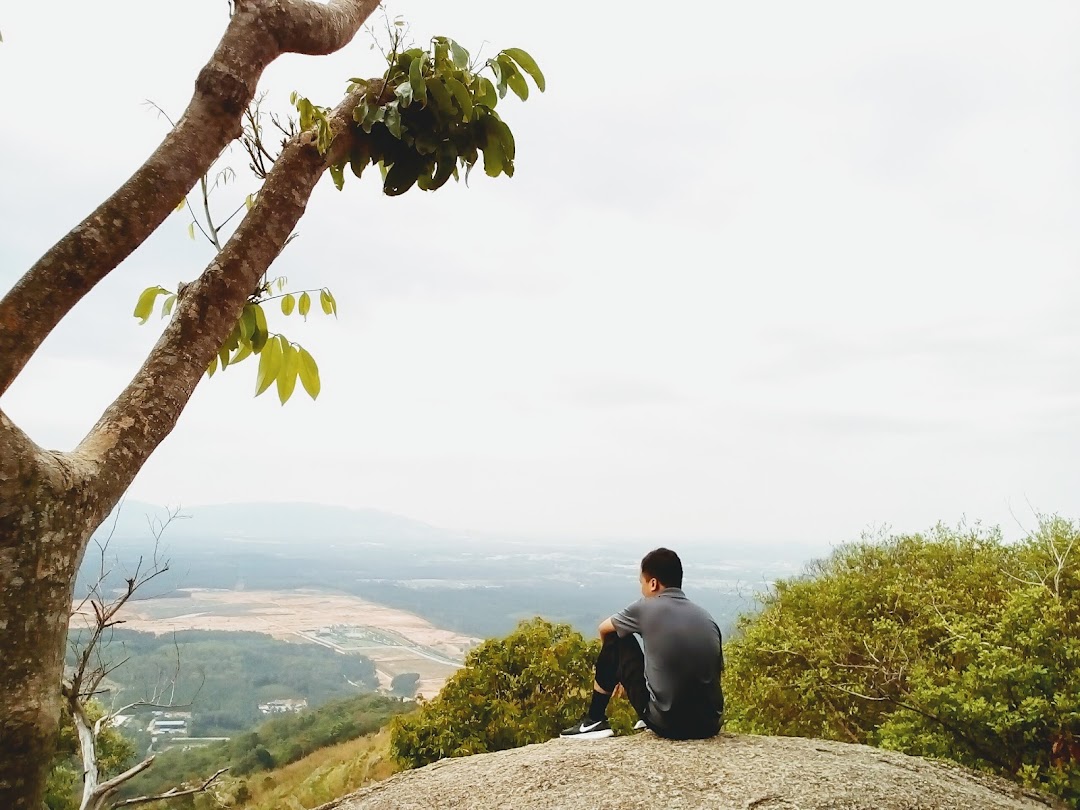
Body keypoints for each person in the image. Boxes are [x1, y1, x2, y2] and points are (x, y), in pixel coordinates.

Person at [560, 547, 724, 740]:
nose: (642, 589)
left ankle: (594, 720)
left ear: (653, 583)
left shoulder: (645, 607)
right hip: (709, 725)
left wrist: (615, 670)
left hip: (669, 724)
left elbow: (604, 629)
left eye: (642, 583)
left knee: (617, 638)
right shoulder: (706, 618)